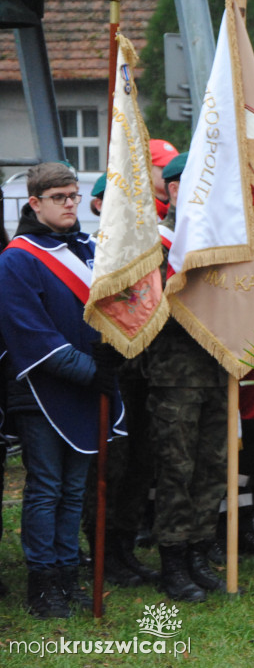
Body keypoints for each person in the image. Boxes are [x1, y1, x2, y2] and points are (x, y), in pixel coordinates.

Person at [0, 162, 127, 617]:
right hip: (41, 390)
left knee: (74, 490)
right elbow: (29, 334)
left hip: (89, 384)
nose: (70, 204)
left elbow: (115, 310)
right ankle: (43, 583)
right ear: (35, 203)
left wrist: (117, 349)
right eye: (59, 198)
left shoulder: (92, 250)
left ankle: (69, 573)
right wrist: (89, 370)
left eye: (73, 196)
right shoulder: (17, 258)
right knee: (46, 488)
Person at [146, 152, 230, 602]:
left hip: (218, 369)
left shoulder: (220, 240)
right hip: (175, 375)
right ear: (175, 189)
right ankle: (173, 560)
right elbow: (156, 311)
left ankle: (200, 548)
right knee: (177, 469)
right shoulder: (157, 244)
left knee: (212, 466)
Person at [149, 139, 179, 220]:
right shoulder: (135, 209)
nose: (172, 173)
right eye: (164, 168)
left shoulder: (183, 208)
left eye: (175, 169)